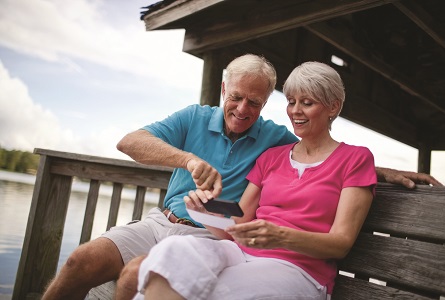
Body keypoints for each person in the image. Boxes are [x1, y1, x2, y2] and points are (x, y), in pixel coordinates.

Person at [41, 54, 442, 300]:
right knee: (91, 260)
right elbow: (131, 142)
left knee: (142, 274)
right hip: (176, 224)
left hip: (274, 260)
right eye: (236, 97)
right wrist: (198, 184)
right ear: (222, 90)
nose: (243, 107)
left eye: (255, 101)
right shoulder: (223, 132)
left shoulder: (283, 142)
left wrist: (378, 171)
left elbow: (334, 160)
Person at [132, 61, 376, 300]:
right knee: (173, 254)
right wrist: (205, 212)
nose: (295, 111)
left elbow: (340, 244)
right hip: (241, 253)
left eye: (307, 103)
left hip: (299, 270)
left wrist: (279, 236)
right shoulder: (272, 157)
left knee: (209, 292)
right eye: (291, 102)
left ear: (333, 107)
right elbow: (237, 226)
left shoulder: (355, 159)